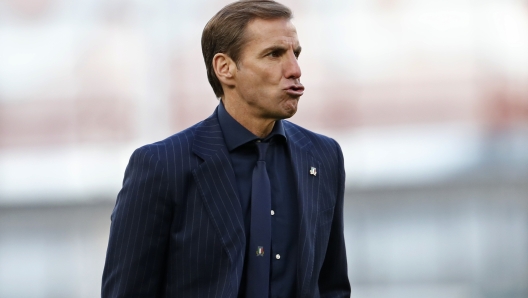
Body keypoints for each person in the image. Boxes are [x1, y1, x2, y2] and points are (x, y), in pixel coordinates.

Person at [101, 0, 350, 297]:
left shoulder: (323, 156)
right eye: (274, 55)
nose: (294, 70)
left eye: (295, 54)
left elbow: (332, 286)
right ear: (225, 68)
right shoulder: (161, 165)